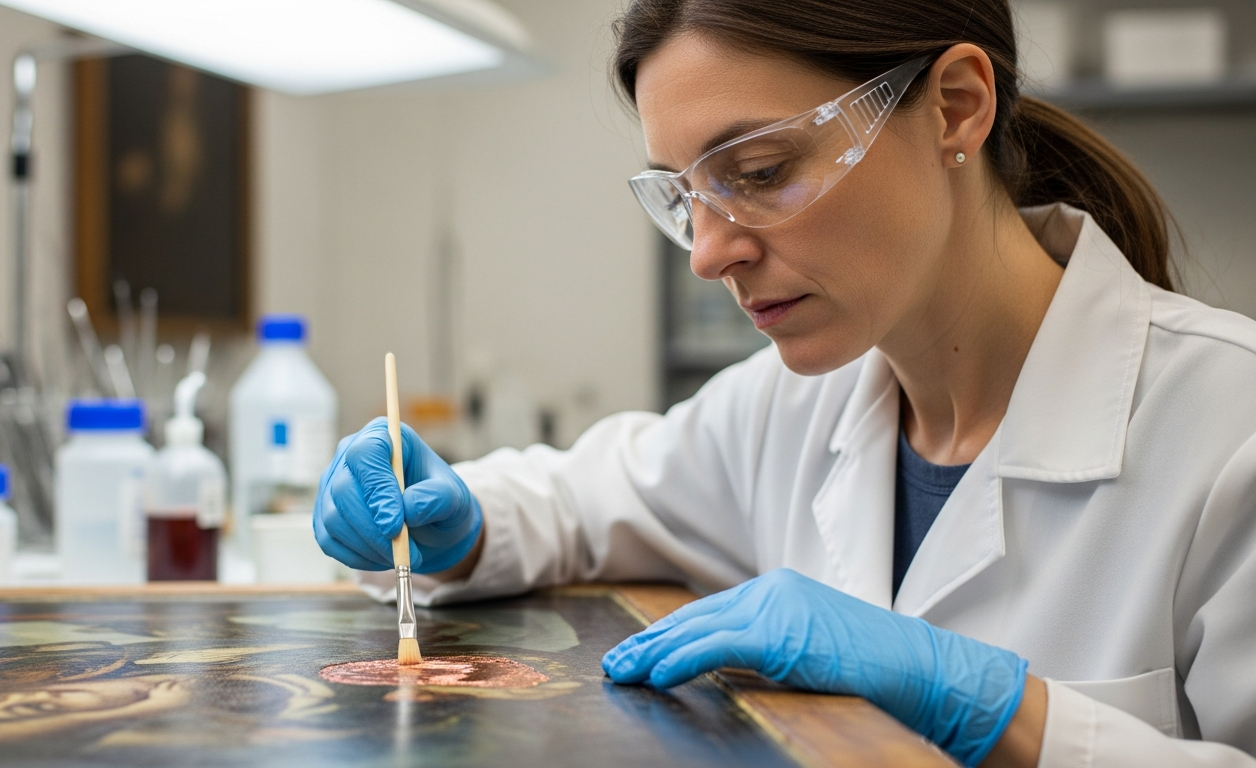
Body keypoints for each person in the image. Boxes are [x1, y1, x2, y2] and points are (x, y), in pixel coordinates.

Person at [312, 0, 1256, 765]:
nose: (711, 254)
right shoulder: (788, 406)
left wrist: (1007, 714)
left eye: (759, 171)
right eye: (684, 196)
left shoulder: (1226, 425)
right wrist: (459, 522)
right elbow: (577, 499)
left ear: (956, 105)